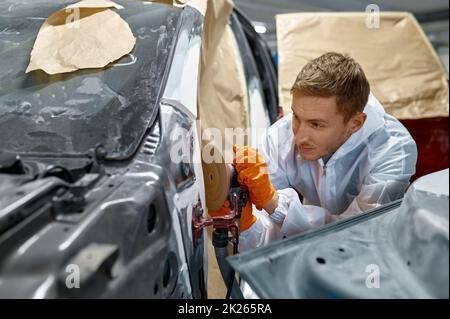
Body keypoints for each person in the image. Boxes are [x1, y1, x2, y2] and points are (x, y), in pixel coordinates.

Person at [210, 52, 417, 251]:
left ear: (355, 123)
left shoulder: (393, 151)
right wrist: (247, 224)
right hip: (309, 249)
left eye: (316, 125)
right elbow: (271, 236)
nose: (299, 137)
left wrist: (275, 203)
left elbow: (358, 237)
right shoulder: (279, 137)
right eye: (296, 117)